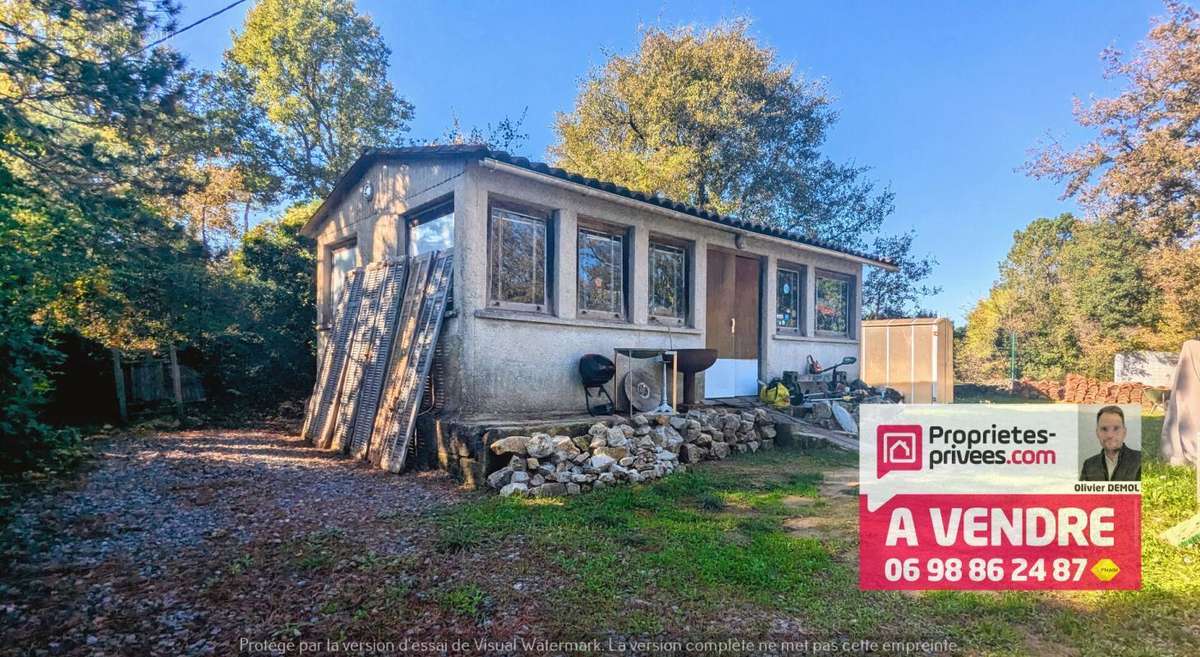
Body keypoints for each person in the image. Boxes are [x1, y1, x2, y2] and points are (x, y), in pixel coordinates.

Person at [1080, 405, 1141, 481]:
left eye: (1116, 428)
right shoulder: (1089, 465)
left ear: (1124, 432)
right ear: (1097, 433)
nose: (1110, 435)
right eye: (1104, 429)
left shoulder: (1139, 460)